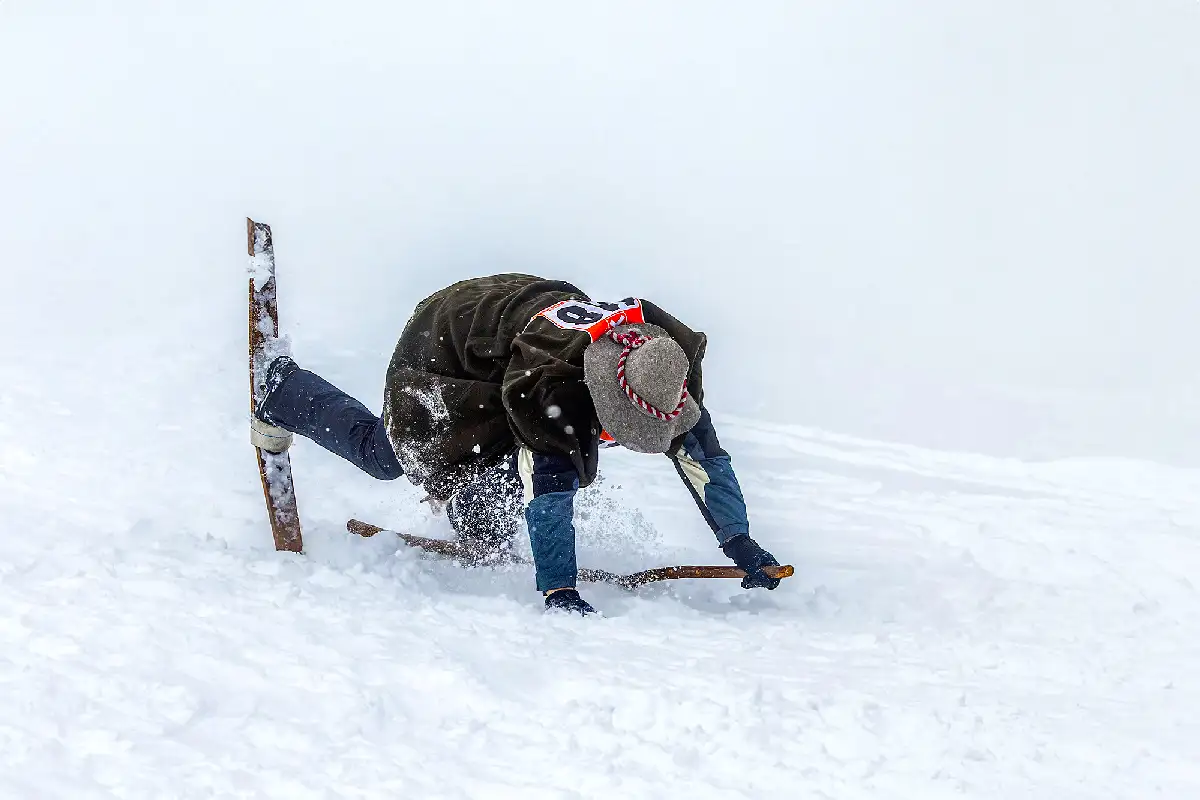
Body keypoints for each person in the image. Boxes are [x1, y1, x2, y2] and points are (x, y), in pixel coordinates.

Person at [250, 274, 782, 615]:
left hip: (510, 334)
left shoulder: (664, 370)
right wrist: (559, 587)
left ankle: (470, 513)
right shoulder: (554, 390)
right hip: (447, 339)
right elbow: (548, 489)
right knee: (391, 457)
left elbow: (704, 459)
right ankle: (283, 388)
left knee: (491, 524)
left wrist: (738, 540)